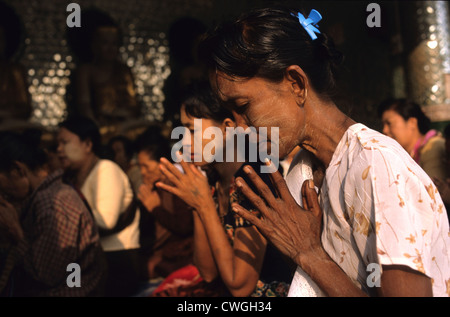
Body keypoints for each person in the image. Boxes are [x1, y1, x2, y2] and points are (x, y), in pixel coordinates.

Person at [198, 6, 450, 296]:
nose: (239, 128)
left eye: (243, 107)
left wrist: (310, 255)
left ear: (296, 83)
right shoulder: (310, 169)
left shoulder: (378, 165)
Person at [155, 81, 293, 297]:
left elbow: (240, 286)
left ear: (228, 128)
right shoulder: (213, 179)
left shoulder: (254, 180)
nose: (185, 142)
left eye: (192, 131)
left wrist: (204, 205)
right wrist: (198, 203)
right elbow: (208, 272)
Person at [0, 131, 106, 296]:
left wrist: (15, 232)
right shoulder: (39, 198)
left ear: (18, 170)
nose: (2, 193)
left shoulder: (53, 203)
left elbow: (47, 275)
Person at [56, 116, 141, 297]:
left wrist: (63, 216)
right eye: (58, 144)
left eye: (65, 142)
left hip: (117, 261)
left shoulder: (106, 169)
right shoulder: (75, 176)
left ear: (88, 144)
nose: (59, 150)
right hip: (94, 261)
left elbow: (106, 220)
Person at [133, 126, 194, 283]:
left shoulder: (175, 185)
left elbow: (184, 226)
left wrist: (156, 209)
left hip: (176, 261)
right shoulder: (152, 189)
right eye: (140, 167)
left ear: (161, 163)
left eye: (146, 166)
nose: (143, 172)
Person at [66, 8, 139, 130]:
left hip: (126, 124)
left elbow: (134, 105)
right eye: (105, 43)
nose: (110, 48)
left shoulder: (124, 70)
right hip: (100, 126)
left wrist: (123, 114)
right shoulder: (86, 71)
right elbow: (84, 106)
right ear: (94, 45)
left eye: (114, 43)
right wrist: (96, 123)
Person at [378, 98, 448, 181]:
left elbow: (432, 190)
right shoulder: (407, 154)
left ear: (412, 122)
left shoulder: (433, 147)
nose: (384, 130)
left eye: (389, 123)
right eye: (383, 124)